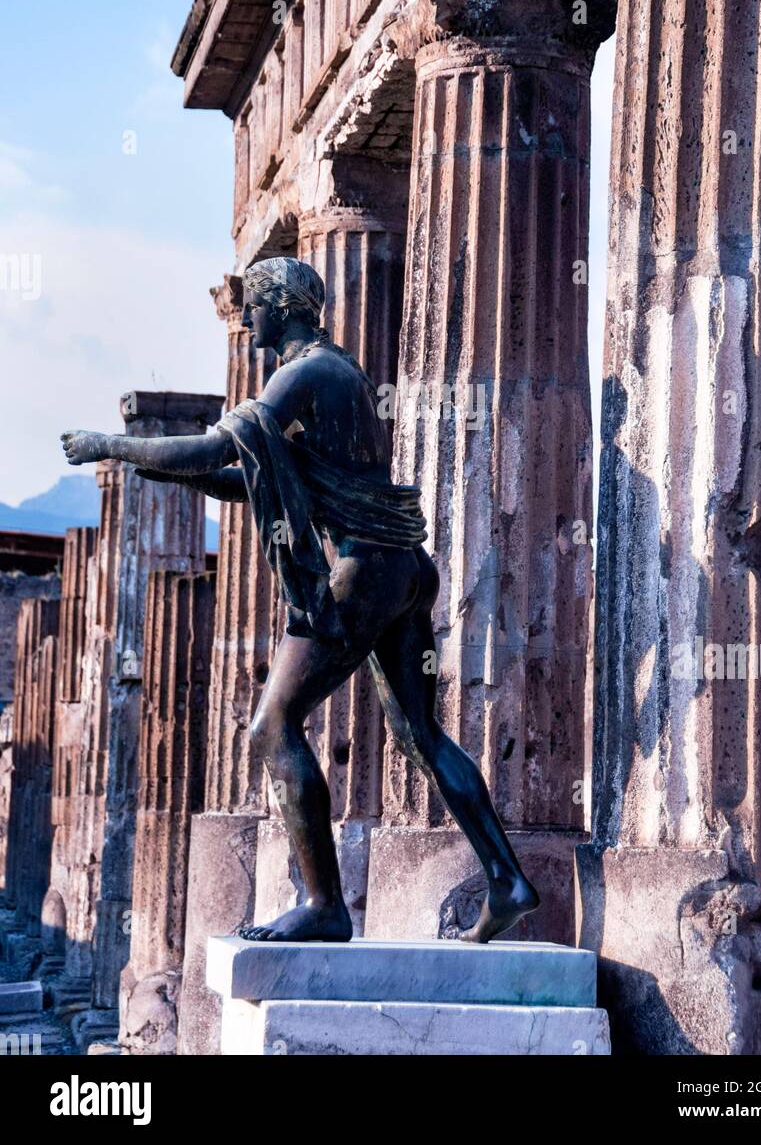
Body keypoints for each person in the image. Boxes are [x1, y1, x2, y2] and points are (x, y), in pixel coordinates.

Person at [61, 256, 539, 943]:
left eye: (252, 305)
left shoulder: (305, 373)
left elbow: (212, 448)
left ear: (279, 307)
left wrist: (110, 444)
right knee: (418, 734)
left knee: (270, 726)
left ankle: (323, 905)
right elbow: (267, 483)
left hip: (361, 571)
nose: (247, 318)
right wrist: (168, 473)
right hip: (401, 567)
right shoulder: (339, 372)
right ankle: (506, 880)